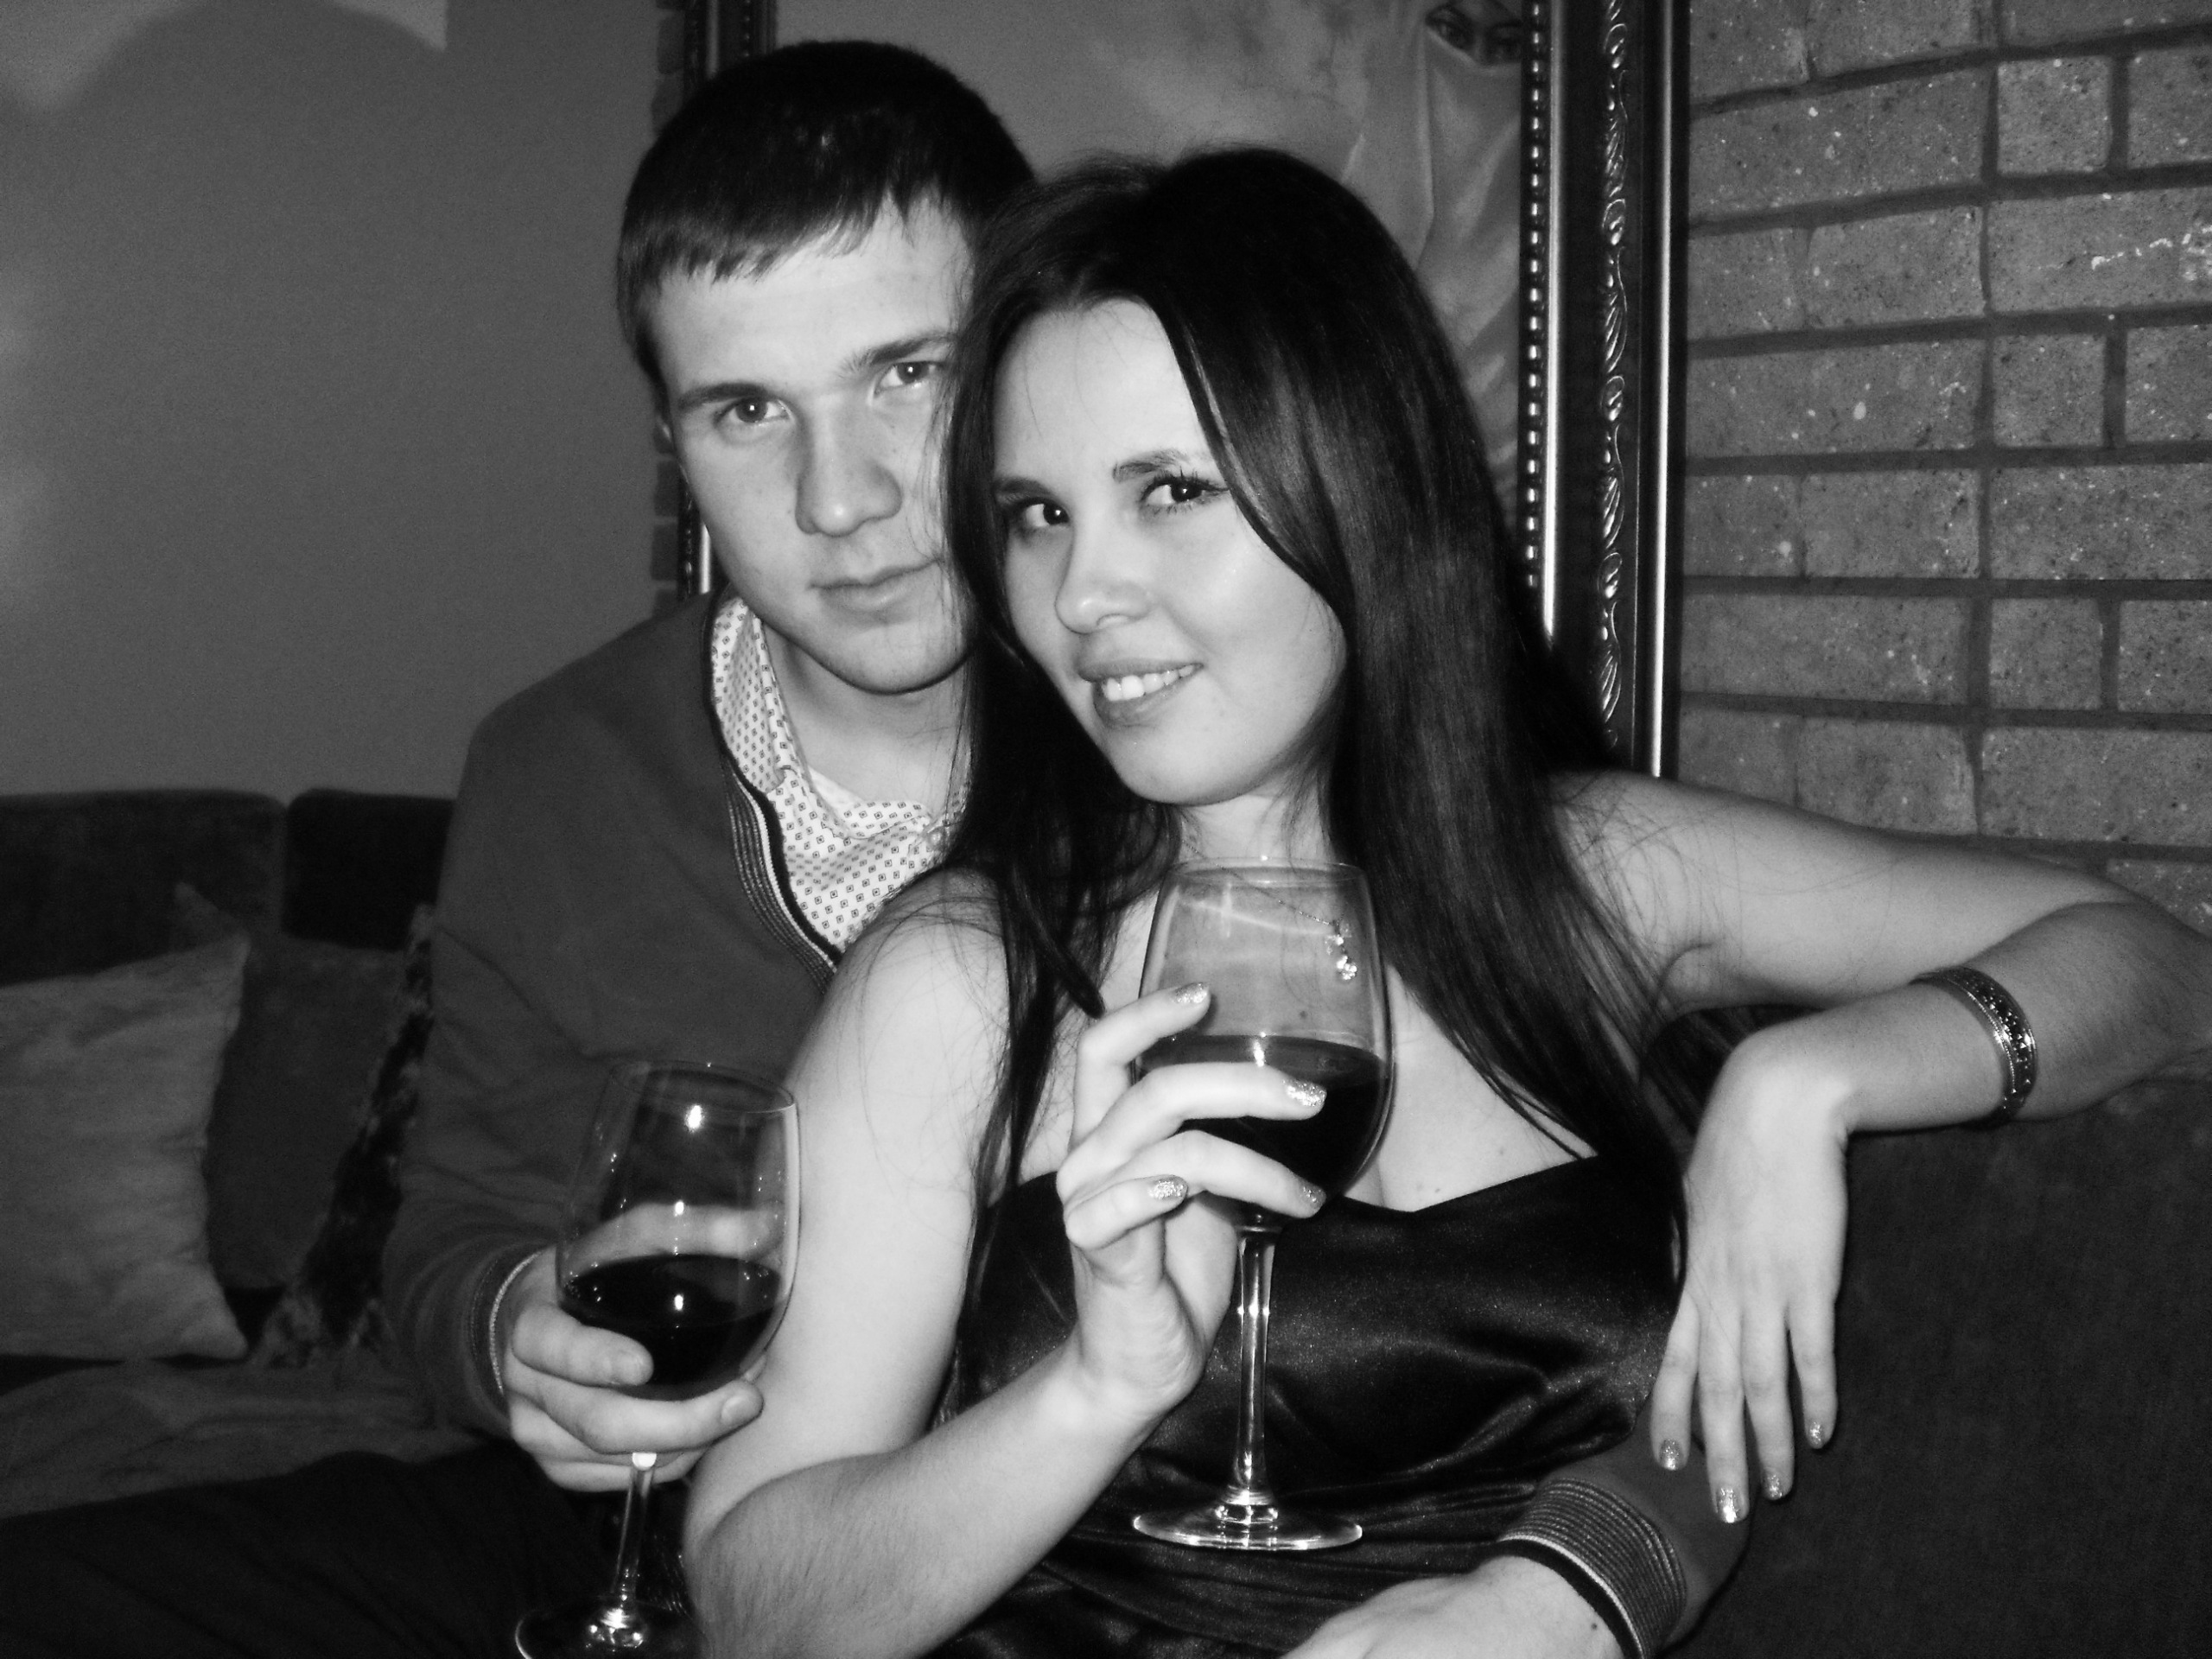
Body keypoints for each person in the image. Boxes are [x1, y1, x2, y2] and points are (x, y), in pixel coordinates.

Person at [0, 43, 1725, 1659]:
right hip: (640, 1524)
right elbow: (458, 1213)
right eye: (745, 411)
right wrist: (523, 1324)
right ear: (672, 444)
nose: (842, 498)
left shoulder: (1188, 730)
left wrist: (1787, 1110)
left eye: (908, 374)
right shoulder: (559, 764)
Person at [675, 149, 2212, 1659]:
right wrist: (1096, 1389)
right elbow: (751, 1604)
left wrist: (1808, 1081)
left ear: (1361, 490)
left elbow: (2154, 961)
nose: (1083, 596)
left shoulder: (1591, 879)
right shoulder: (964, 977)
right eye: (1038, 515)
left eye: (1172, 491)